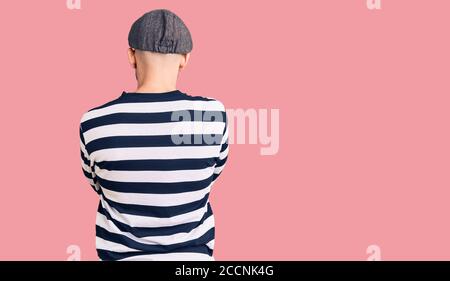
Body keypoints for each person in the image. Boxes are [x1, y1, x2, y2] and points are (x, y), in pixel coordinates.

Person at [78, 9, 229, 261]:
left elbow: (98, 183)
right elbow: (210, 176)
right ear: (185, 58)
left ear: (131, 55)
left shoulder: (94, 122)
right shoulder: (212, 116)